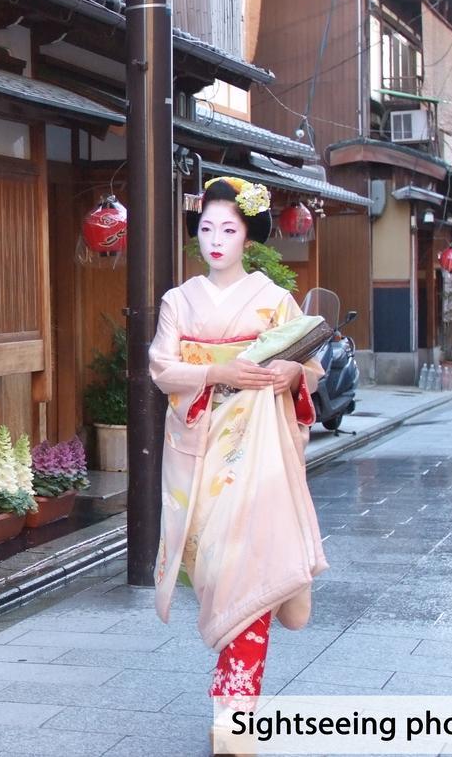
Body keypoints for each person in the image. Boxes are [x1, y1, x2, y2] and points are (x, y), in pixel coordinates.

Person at [149, 177, 329, 720]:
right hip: (202, 449)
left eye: (229, 229)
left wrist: (290, 372)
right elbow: (162, 367)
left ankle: (234, 711)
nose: (216, 240)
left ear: (247, 236)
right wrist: (220, 371)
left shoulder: (275, 300)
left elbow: (313, 369)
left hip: (261, 455)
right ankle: (234, 698)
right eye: (206, 229)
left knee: (252, 568)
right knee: (216, 567)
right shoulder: (178, 301)